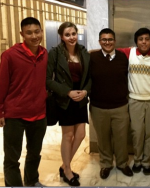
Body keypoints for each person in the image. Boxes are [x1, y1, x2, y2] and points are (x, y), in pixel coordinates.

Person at [0, 17, 47, 187]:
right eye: (29, 32)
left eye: (37, 31)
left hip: (39, 114)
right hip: (15, 115)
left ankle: (32, 182)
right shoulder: (10, 55)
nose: (34, 36)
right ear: (22, 34)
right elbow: (1, 86)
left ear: (41, 31)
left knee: (34, 154)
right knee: (12, 158)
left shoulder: (45, 54)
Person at [46, 22, 91, 186]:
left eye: (73, 34)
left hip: (80, 97)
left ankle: (64, 166)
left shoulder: (83, 52)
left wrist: (85, 91)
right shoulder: (55, 53)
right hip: (65, 99)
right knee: (68, 135)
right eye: (67, 35)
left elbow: (90, 77)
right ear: (61, 37)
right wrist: (67, 91)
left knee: (80, 135)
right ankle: (67, 170)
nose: (71, 37)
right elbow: (47, 80)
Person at [89, 28, 133, 179]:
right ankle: (106, 164)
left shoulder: (123, 57)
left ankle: (122, 163)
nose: (107, 42)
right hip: (98, 107)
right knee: (103, 139)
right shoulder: (92, 57)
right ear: (99, 41)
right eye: (104, 40)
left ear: (115, 41)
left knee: (121, 138)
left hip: (120, 106)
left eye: (110, 39)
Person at [118, 28, 150, 175]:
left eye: (147, 39)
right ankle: (137, 160)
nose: (144, 42)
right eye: (141, 39)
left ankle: (147, 162)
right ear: (136, 41)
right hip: (135, 100)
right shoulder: (129, 53)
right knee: (137, 132)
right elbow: (109, 50)